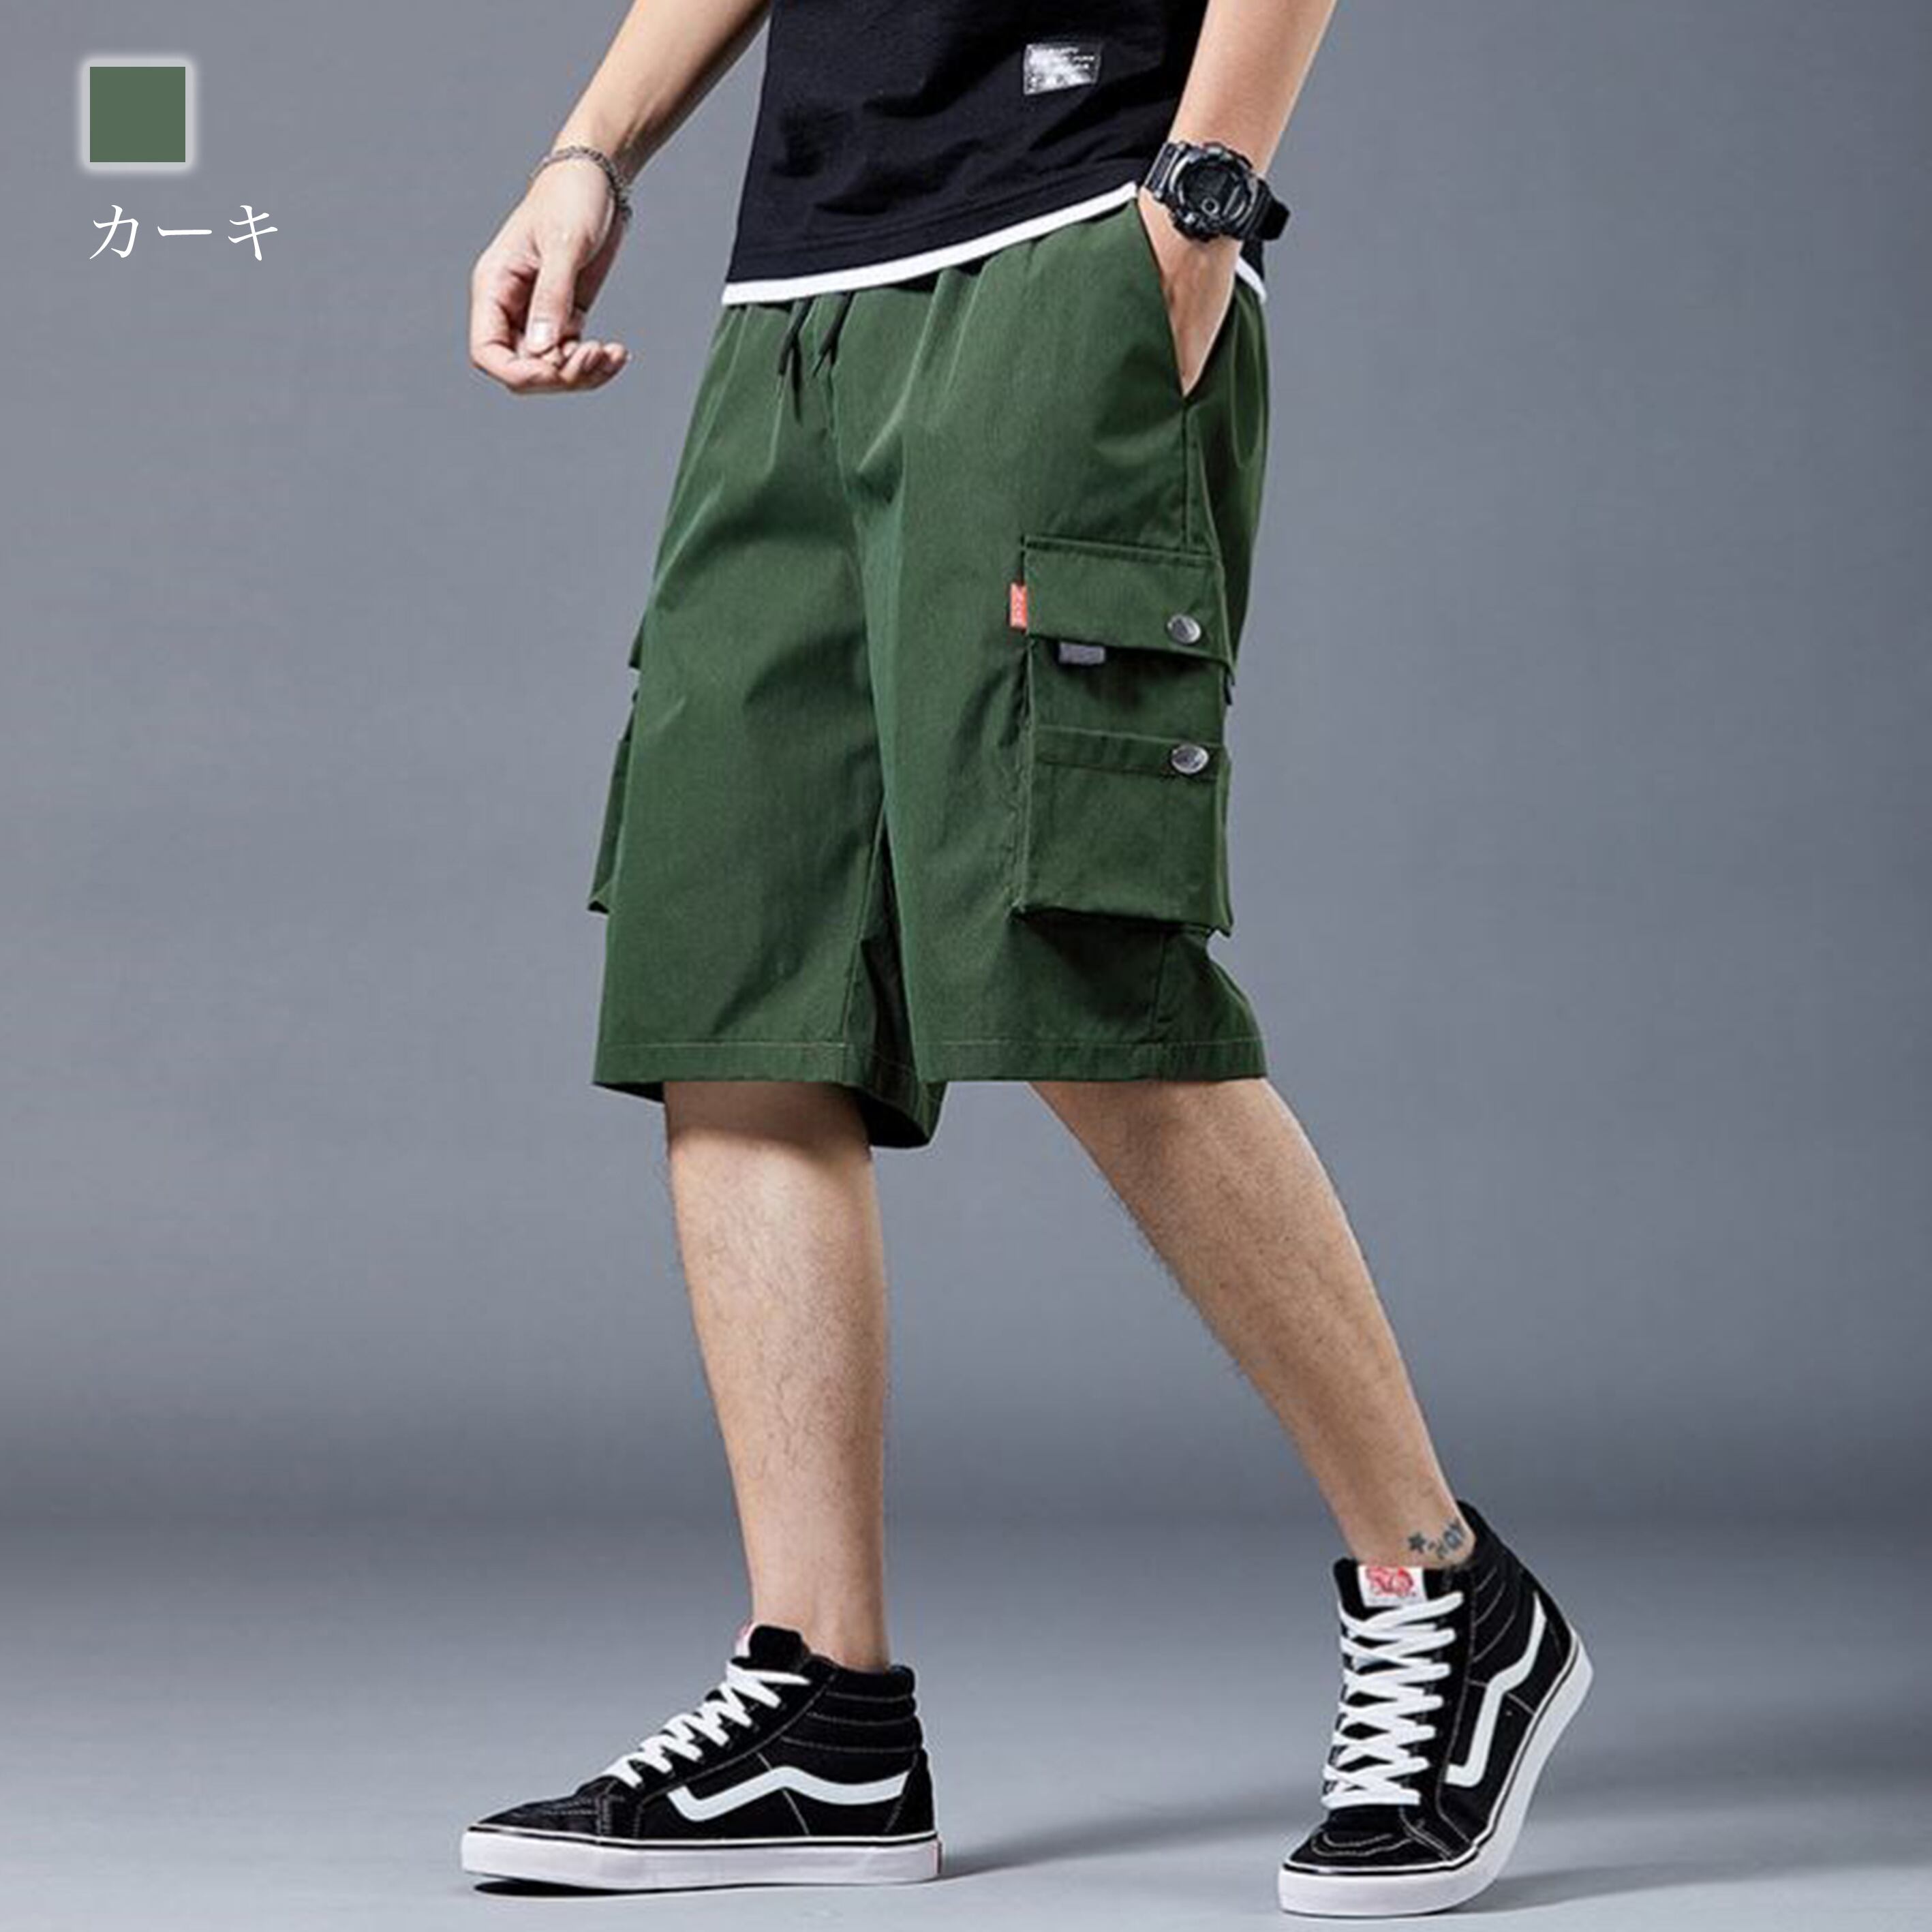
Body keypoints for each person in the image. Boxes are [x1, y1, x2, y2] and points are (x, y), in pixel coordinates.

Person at [459, 1, 1591, 1914]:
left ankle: (1444, 1586)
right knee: (730, 990)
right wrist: (593, 153)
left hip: (1065, 240)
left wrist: (1197, 203)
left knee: (1069, 953)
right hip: (794, 297)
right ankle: (822, 1710)